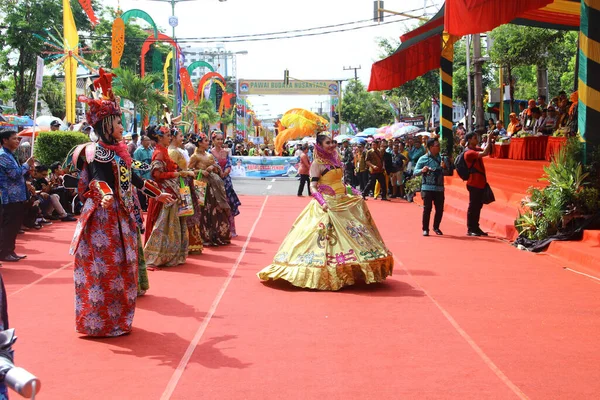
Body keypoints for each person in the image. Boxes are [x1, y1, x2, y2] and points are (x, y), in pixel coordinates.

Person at [70, 69, 174, 336]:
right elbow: (97, 178)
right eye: (117, 123)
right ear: (105, 125)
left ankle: (119, 320)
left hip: (123, 216)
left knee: (123, 270)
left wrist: (156, 193)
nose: (120, 128)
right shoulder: (95, 152)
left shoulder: (120, 153)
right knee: (102, 270)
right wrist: (104, 195)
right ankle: (99, 323)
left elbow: (135, 179)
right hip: (103, 219)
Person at [257, 132, 394, 290]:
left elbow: (341, 182)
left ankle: (353, 268)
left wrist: (354, 192)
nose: (332, 145)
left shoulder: (337, 160)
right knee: (325, 239)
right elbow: (313, 187)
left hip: (343, 201)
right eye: (328, 143)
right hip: (327, 205)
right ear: (320, 145)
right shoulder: (317, 163)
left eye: (333, 142)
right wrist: (322, 202)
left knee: (354, 235)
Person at [144, 125, 195, 267]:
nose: (169, 138)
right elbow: (157, 175)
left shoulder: (164, 151)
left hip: (171, 190)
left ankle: (171, 253)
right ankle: (159, 254)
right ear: (159, 137)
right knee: (164, 224)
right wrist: (177, 174)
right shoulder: (159, 153)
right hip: (164, 194)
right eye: (167, 135)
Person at [188, 133, 231, 246]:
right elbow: (190, 170)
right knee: (203, 211)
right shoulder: (195, 156)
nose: (208, 143)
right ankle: (204, 235)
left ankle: (216, 234)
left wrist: (213, 167)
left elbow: (217, 168)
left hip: (213, 186)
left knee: (215, 209)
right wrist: (201, 171)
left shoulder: (209, 155)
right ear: (200, 143)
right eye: (206, 141)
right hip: (201, 185)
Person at [0, 130, 35, 262]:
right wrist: (26, 165)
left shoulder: (10, 155)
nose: (17, 141)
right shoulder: (3, 156)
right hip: (9, 197)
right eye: (14, 139)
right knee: (9, 225)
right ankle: (4, 252)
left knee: (14, 225)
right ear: (4, 140)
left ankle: (10, 250)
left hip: (17, 196)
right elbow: (15, 174)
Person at [414, 138, 451, 236]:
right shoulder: (423, 158)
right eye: (437, 145)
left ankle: (436, 227)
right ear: (431, 147)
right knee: (427, 209)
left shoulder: (443, 159)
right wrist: (422, 170)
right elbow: (415, 172)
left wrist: (445, 167)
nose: (439, 147)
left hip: (439, 188)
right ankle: (425, 229)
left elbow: (448, 172)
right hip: (427, 188)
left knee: (439, 209)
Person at [210, 131, 241, 237]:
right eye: (217, 139)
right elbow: (212, 165)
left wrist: (225, 172)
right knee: (216, 204)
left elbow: (229, 164)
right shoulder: (210, 153)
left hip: (226, 181)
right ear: (213, 140)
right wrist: (219, 172)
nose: (220, 141)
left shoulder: (226, 152)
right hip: (215, 181)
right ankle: (218, 230)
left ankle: (231, 229)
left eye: (221, 139)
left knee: (228, 204)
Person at [464, 131, 493, 236]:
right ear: (469, 140)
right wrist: (489, 139)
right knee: (473, 207)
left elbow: (488, 151)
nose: (477, 140)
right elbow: (485, 153)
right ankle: (470, 228)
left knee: (478, 206)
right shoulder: (468, 153)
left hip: (480, 182)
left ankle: (475, 227)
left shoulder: (474, 149)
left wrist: (491, 141)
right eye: (475, 138)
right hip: (474, 183)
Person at [133, 135, 153, 211]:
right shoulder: (138, 151)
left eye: (149, 140)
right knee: (141, 192)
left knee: (151, 191)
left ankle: (150, 206)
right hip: (142, 175)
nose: (148, 142)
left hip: (150, 176)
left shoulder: (151, 151)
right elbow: (135, 164)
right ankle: (143, 207)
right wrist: (138, 176)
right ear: (142, 141)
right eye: (146, 140)